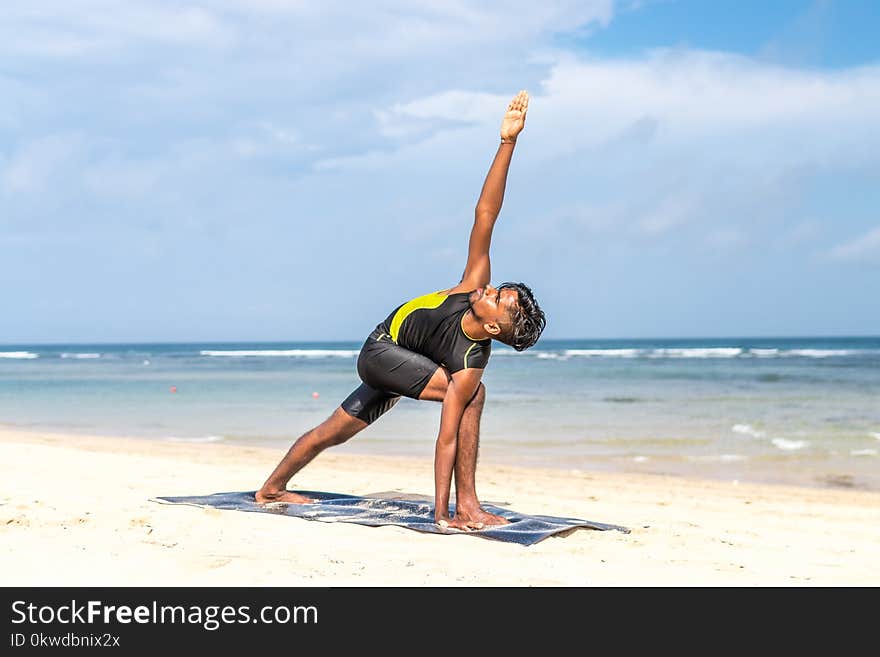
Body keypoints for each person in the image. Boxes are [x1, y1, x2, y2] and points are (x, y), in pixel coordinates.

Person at [256, 90, 546, 531]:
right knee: (471, 396)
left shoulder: (470, 363)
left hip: (406, 366)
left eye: (498, 299)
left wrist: (439, 514)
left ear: (491, 326)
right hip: (380, 351)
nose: (489, 288)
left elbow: (446, 436)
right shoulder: (470, 284)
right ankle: (468, 504)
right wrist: (507, 142)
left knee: (335, 429)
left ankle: (271, 489)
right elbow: (486, 212)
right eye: (500, 289)